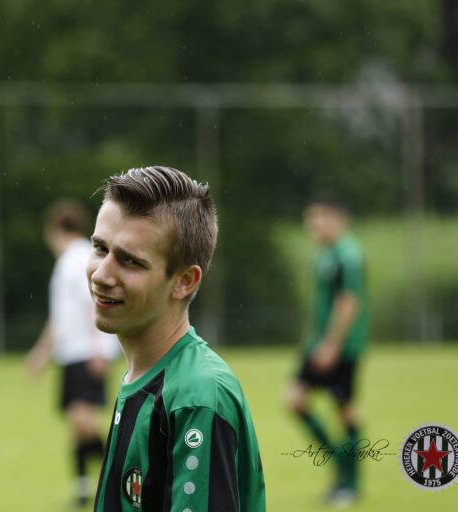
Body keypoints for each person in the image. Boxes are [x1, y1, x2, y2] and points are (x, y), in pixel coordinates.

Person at [88, 166, 265, 511]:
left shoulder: (196, 395)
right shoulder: (146, 377)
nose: (101, 274)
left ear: (184, 281)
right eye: (99, 248)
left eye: (130, 261)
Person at [26, 199, 120, 507]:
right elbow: (61, 317)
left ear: (55, 229)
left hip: (85, 351)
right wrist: (42, 352)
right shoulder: (68, 260)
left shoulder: (77, 258)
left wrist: (98, 350)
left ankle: (120, 471)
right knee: (75, 421)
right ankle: (82, 487)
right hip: (71, 352)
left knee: (82, 418)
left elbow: (92, 303)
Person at [285, 194, 368, 506]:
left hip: (340, 347)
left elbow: (349, 301)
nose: (313, 225)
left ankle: (351, 484)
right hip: (318, 345)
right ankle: (341, 468)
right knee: (294, 400)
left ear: (337, 218)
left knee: (345, 409)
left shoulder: (349, 255)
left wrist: (332, 343)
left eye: (319, 218)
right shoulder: (324, 255)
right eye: (310, 220)